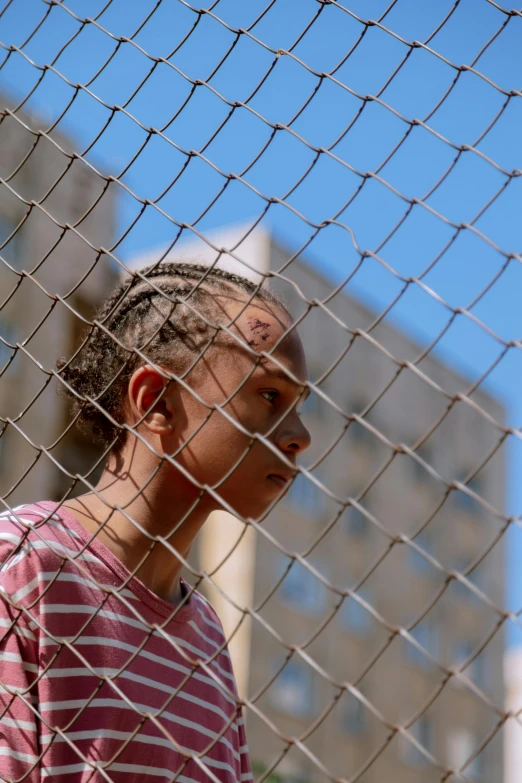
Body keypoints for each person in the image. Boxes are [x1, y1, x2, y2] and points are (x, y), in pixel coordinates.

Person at [0, 261, 311, 782]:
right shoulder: (23, 565)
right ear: (157, 402)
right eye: (269, 396)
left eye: (300, 405)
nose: (301, 435)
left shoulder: (207, 638)